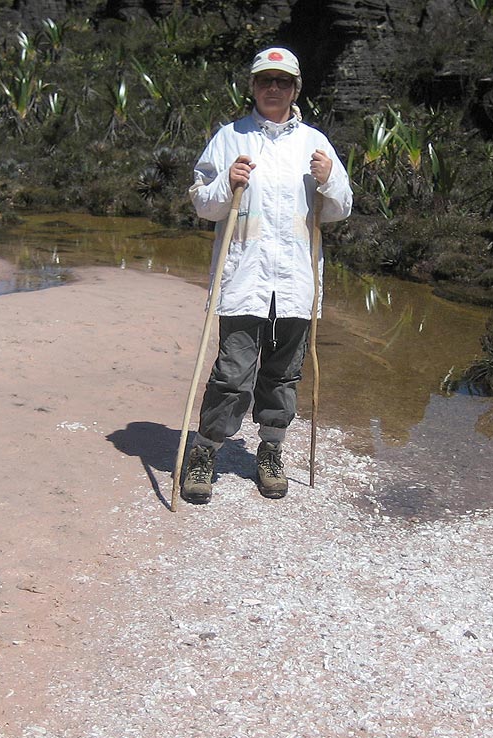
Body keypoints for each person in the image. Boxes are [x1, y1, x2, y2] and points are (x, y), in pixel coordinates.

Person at [181, 47, 352, 504]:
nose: (272, 88)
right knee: (233, 372)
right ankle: (206, 450)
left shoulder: (314, 143)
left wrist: (330, 178)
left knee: (283, 375)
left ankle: (271, 450)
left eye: (282, 81)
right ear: (253, 87)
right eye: (264, 81)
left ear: (296, 88)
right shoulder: (229, 137)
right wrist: (226, 183)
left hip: (295, 280)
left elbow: (341, 209)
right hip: (243, 277)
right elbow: (202, 202)